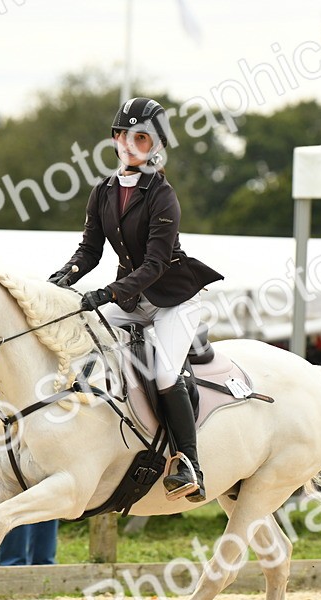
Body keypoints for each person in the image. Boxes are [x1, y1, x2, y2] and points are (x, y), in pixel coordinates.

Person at [48, 97, 223, 502]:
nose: (130, 144)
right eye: (125, 136)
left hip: (173, 299)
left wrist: (109, 292)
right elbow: (89, 251)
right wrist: (64, 277)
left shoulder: (163, 196)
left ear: (155, 147)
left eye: (141, 138)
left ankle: (189, 463)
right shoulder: (103, 192)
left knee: (163, 372)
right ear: (115, 139)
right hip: (129, 300)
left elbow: (157, 263)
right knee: (82, 338)